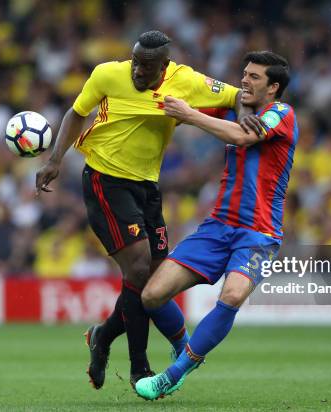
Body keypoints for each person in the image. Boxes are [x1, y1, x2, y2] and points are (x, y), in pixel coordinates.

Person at [34, 30, 262, 389]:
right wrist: (55, 159)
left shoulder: (185, 80)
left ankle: (103, 336)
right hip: (105, 179)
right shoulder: (108, 74)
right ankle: (139, 366)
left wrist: (246, 116)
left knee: (154, 282)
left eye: (147, 66)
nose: (138, 71)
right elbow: (76, 113)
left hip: (147, 187)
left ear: (165, 66)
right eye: (136, 62)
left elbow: (236, 96)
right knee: (139, 267)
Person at [134, 51, 297, 399]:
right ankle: (183, 348)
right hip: (217, 227)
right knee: (151, 295)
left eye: (254, 77)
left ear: (274, 87)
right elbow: (178, 106)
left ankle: (171, 376)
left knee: (233, 294)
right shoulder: (234, 111)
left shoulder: (282, 114)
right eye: (244, 74)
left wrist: (190, 115)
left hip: (258, 232)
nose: (244, 80)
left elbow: (241, 137)